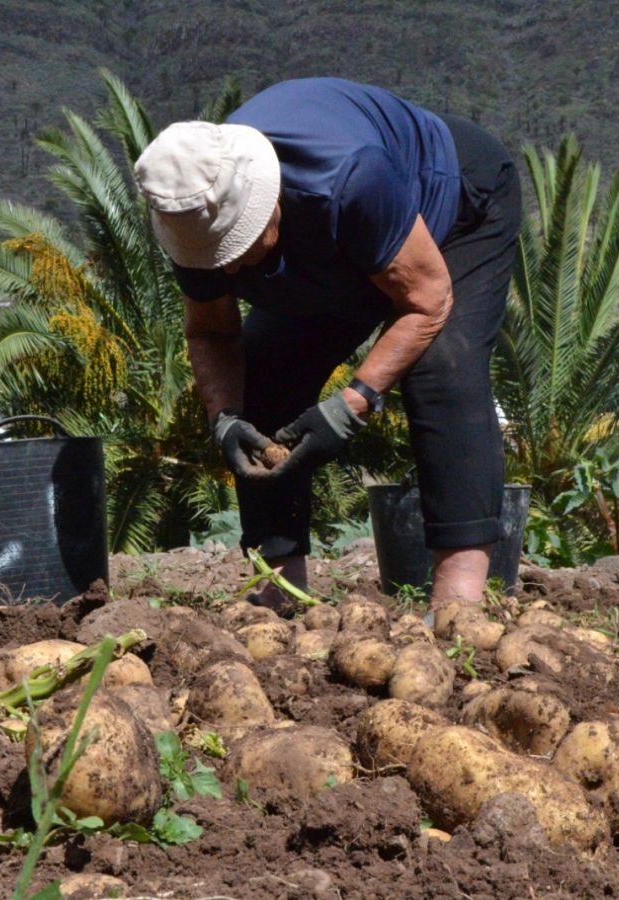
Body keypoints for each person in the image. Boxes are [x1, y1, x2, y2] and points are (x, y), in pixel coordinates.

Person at [133, 77, 520, 615]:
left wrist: (351, 405)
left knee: (442, 368)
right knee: (264, 369)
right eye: (217, 256)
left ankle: (459, 603)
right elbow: (212, 332)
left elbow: (427, 300)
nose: (232, 268)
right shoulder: (188, 214)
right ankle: (279, 586)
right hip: (344, 247)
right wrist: (224, 417)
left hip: (455, 206)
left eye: (238, 245)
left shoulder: (346, 178)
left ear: (266, 200)